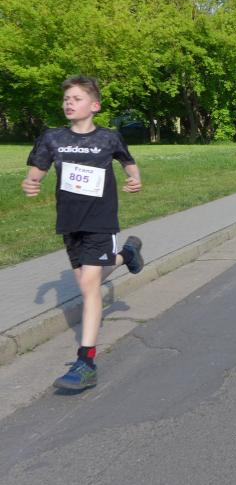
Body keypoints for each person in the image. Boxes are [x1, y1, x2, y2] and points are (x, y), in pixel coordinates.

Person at [22, 76, 144, 391]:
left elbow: (128, 162)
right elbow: (36, 172)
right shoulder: (52, 138)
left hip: (101, 219)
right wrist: (31, 183)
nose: (69, 103)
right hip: (69, 221)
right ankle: (126, 255)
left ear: (94, 105)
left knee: (89, 286)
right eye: (66, 99)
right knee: (85, 282)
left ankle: (86, 362)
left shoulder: (108, 138)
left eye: (76, 98)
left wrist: (134, 178)